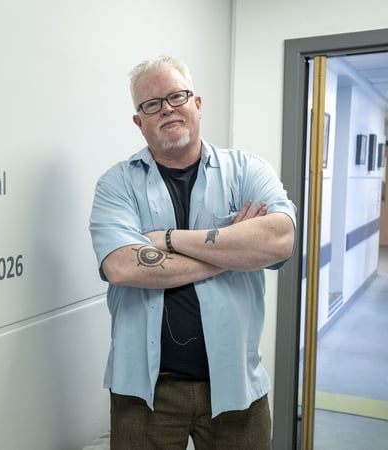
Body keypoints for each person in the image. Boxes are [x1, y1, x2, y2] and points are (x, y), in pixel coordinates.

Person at [89, 55, 296, 449]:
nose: (166, 108)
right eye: (151, 104)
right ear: (139, 121)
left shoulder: (247, 170)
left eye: (176, 96)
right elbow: (121, 265)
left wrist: (167, 238)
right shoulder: (116, 185)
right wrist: (230, 247)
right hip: (145, 392)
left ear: (196, 104)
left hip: (236, 386)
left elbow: (280, 240)